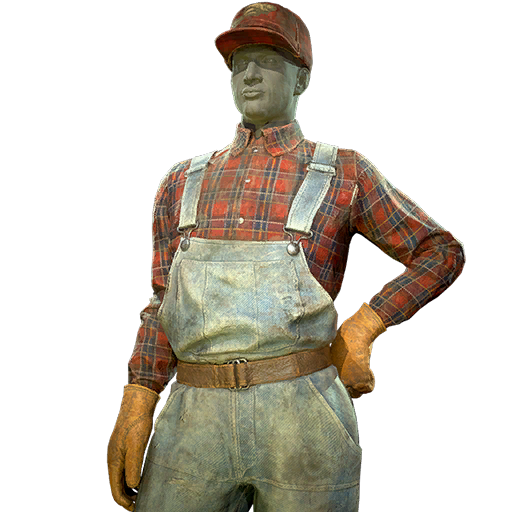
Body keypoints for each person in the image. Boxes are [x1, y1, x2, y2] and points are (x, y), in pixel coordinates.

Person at [107, 3, 465, 511]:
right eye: (239, 63)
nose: (250, 74)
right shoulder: (180, 181)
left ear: (302, 79)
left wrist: (363, 327)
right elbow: (162, 301)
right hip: (190, 418)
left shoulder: (342, 172)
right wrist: (138, 399)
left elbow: (440, 251)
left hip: (302, 413)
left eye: (269, 60)